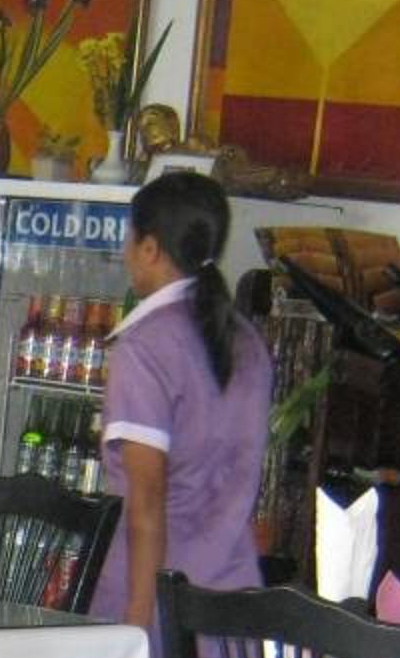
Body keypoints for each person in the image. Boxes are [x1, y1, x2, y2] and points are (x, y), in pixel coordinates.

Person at [90, 170, 272, 634]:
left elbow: (147, 499)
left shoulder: (145, 346)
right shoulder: (246, 340)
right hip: (229, 595)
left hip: (154, 598)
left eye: (130, 238)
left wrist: (137, 623)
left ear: (149, 248)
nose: (125, 252)